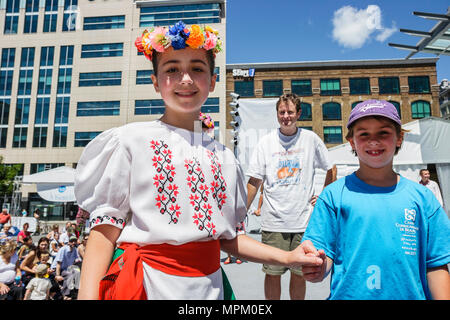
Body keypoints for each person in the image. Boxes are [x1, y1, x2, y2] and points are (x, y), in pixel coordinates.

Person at [75, 21, 323, 300]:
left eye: (197, 68)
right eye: (171, 69)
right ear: (155, 81)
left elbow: (229, 239)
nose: (186, 79)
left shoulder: (224, 157)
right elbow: (104, 233)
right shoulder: (130, 141)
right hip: (146, 284)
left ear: (213, 80)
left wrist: (288, 257)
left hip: (209, 287)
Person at [302, 99, 450, 300]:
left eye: (383, 132)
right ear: (352, 142)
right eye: (364, 134)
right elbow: (324, 252)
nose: (374, 141)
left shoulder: (423, 198)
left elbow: (436, 264)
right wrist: (319, 267)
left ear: (399, 138)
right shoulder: (333, 195)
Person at [246, 93, 334, 300]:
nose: (286, 116)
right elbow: (254, 182)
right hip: (273, 223)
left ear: (298, 113)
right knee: (272, 274)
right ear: (277, 114)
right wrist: (240, 212)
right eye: (282, 112)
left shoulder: (311, 139)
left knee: (300, 274)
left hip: (303, 222)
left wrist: (322, 197)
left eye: (290, 112)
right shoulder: (266, 142)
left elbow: (331, 168)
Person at [51, 236, 80, 300]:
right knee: (69, 275)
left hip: (66, 269)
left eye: (75, 241)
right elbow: (58, 264)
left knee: (77, 272)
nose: (73, 243)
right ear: (68, 242)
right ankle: (65, 294)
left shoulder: (75, 249)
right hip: (57, 269)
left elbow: (76, 260)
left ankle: (76, 292)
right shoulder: (63, 249)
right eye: (72, 241)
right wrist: (57, 275)